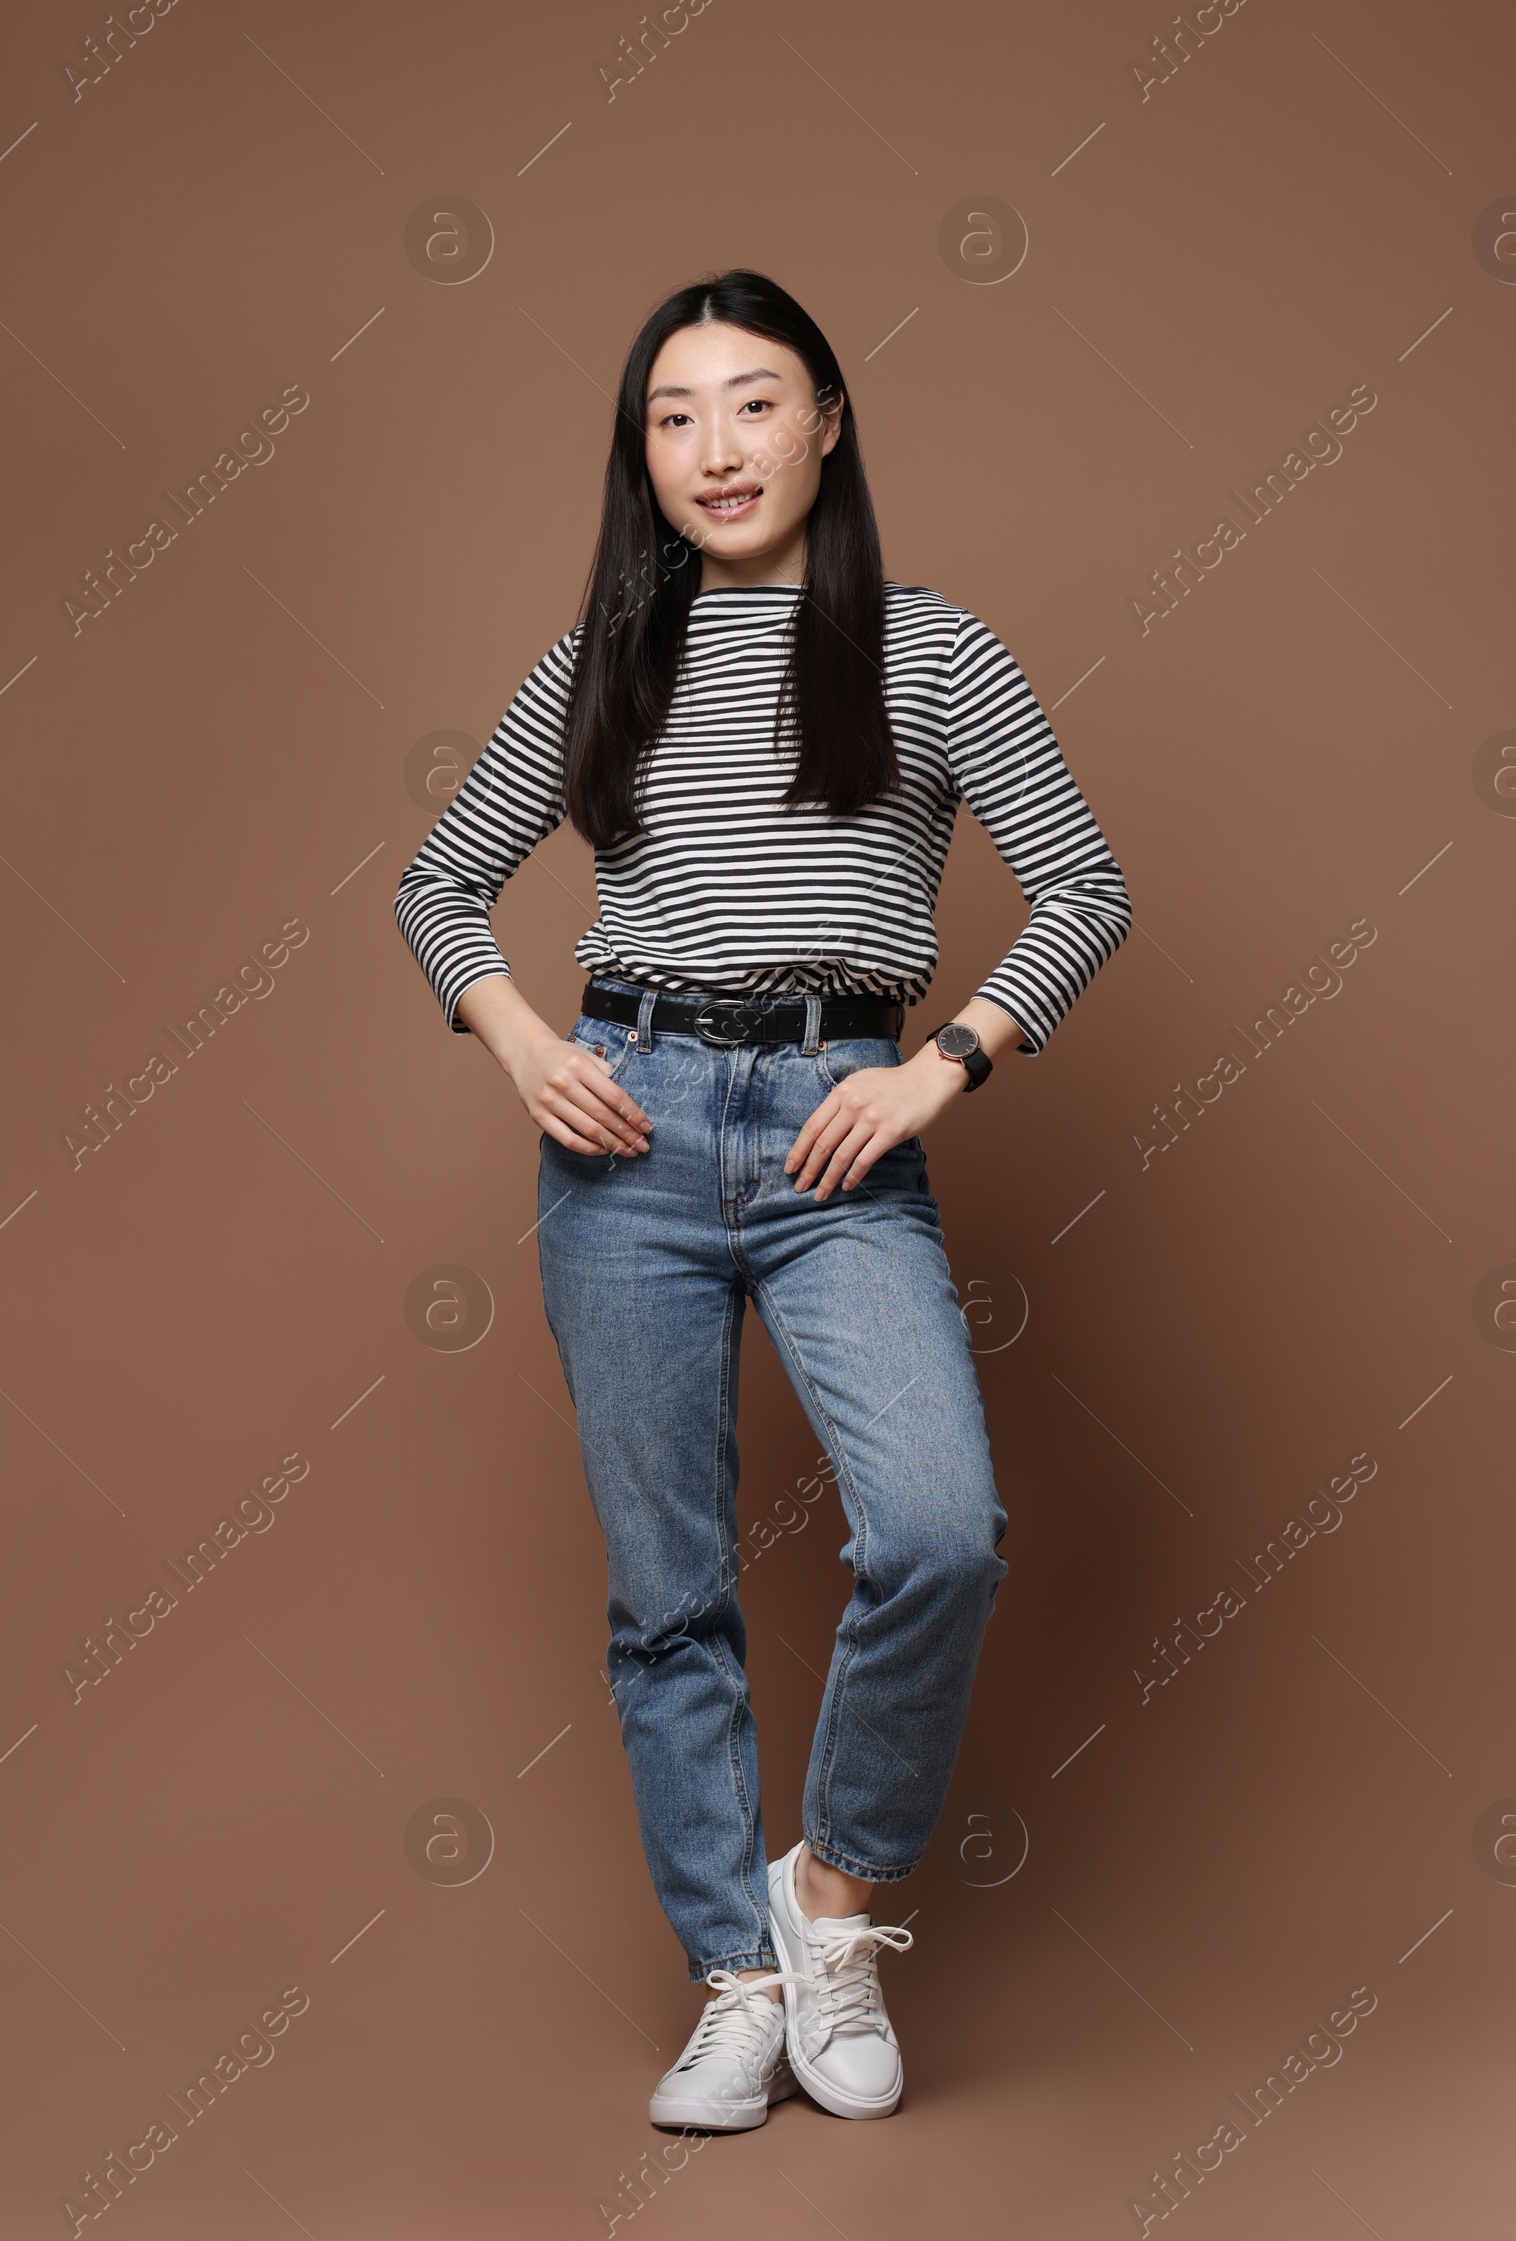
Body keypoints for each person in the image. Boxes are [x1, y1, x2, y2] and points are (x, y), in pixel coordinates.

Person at [393, 269, 1131, 2130]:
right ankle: (733, 1980)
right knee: (670, 1596)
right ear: (641, 457)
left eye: (751, 403)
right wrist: (519, 1046)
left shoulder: (930, 650)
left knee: (940, 1529)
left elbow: (1084, 889)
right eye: (672, 416)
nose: (716, 447)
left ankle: (826, 1903)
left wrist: (938, 1065)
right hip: (621, 1136)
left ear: (827, 426)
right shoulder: (601, 664)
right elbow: (437, 890)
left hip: (835, 1130)